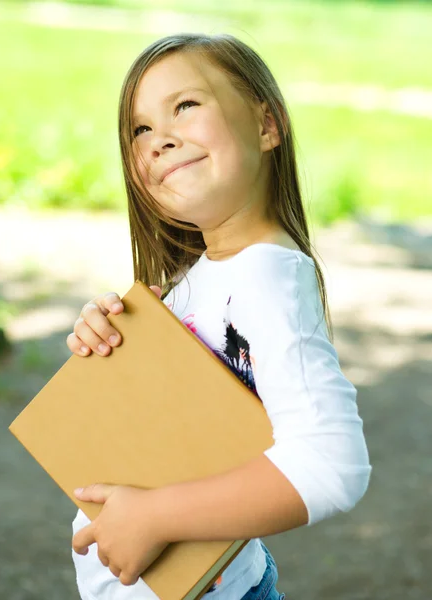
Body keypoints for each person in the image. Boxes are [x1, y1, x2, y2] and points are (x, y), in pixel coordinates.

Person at [67, 33, 372, 600]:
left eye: (184, 105)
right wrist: (108, 342)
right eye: (140, 129)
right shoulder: (201, 281)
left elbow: (332, 463)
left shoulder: (267, 279)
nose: (159, 139)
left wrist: (157, 515)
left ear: (266, 125)